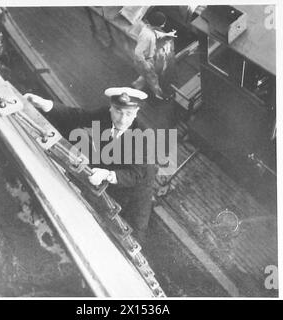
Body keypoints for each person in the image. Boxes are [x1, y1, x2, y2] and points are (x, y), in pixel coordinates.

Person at [24, 88, 157, 244]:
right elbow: (78, 116)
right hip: (106, 170)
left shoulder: (144, 135)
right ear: (111, 108)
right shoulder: (104, 115)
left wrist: (106, 174)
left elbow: (135, 174)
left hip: (135, 189)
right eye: (118, 111)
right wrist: (46, 104)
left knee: (132, 237)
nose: (122, 119)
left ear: (136, 112)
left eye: (128, 114)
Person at [132, 11, 177, 100]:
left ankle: (137, 85)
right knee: (153, 80)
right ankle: (159, 94)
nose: (164, 26)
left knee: (146, 76)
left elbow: (157, 33)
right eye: (163, 24)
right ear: (158, 25)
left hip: (147, 60)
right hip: (145, 61)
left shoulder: (148, 28)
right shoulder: (147, 36)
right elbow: (138, 53)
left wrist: (168, 34)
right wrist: (146, 65)